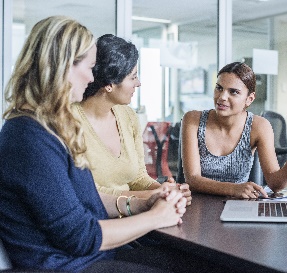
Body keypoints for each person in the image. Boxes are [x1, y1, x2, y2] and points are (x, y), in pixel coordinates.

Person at [0, 16, 187, 273]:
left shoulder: (52, 126)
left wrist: (146, 202)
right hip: (68, 266)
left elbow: (81, 200)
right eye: (89, 68)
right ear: (63, 67)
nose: (92, 78)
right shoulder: (28, 138)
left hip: (93, 258)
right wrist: (156, 217)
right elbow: (81, 237)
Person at [71, 34, 191, 205]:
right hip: (97, 218)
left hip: (135, 211)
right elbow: (90, 192)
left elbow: (138, 178)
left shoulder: (128, 117)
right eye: (133, 77)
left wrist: (166, 190)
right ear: (109, 85)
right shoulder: (69, 121)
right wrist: (152, 196)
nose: (138, 83)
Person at [181, 61, 287, 198]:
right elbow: (192, 180)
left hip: (237, 206)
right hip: (196, 205)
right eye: (219, 88)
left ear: (249, 99)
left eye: (233, 92)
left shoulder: (259, 126)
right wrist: (233, 188)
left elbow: (275, 184)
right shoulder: (193, 120)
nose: (222, 97)